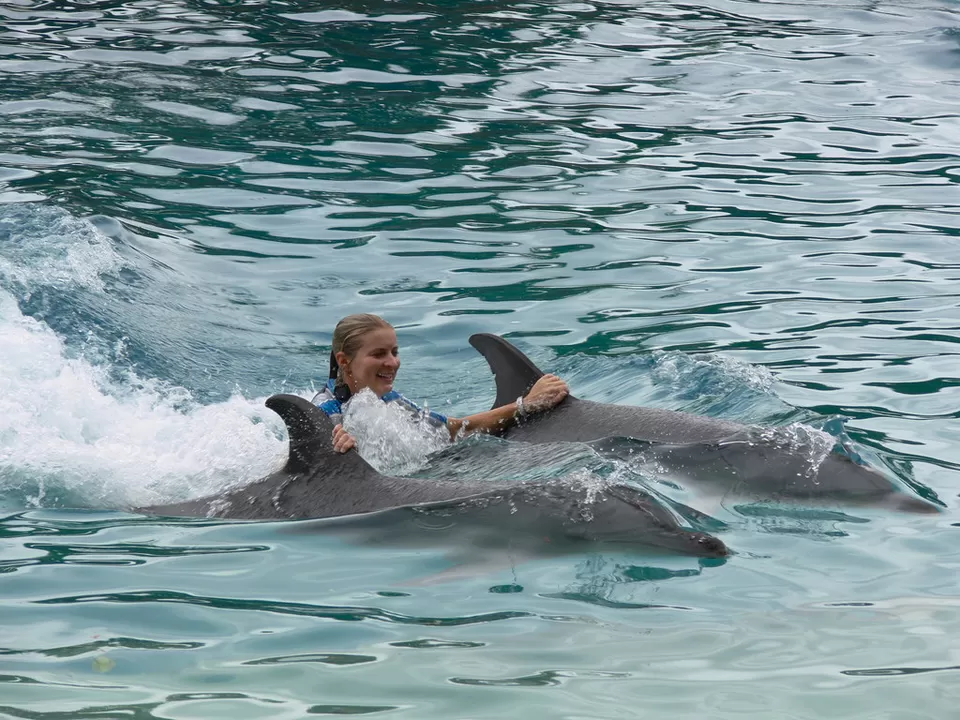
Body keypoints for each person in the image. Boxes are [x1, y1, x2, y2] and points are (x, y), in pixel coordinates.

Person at [313, 313, 569, 454]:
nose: (392, 363)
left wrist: (525, 405)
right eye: (379, 354)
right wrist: (334, 449)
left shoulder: (391, 403)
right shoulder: (325, 411)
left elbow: (454, 430)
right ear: (344, 361)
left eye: (394, 352)